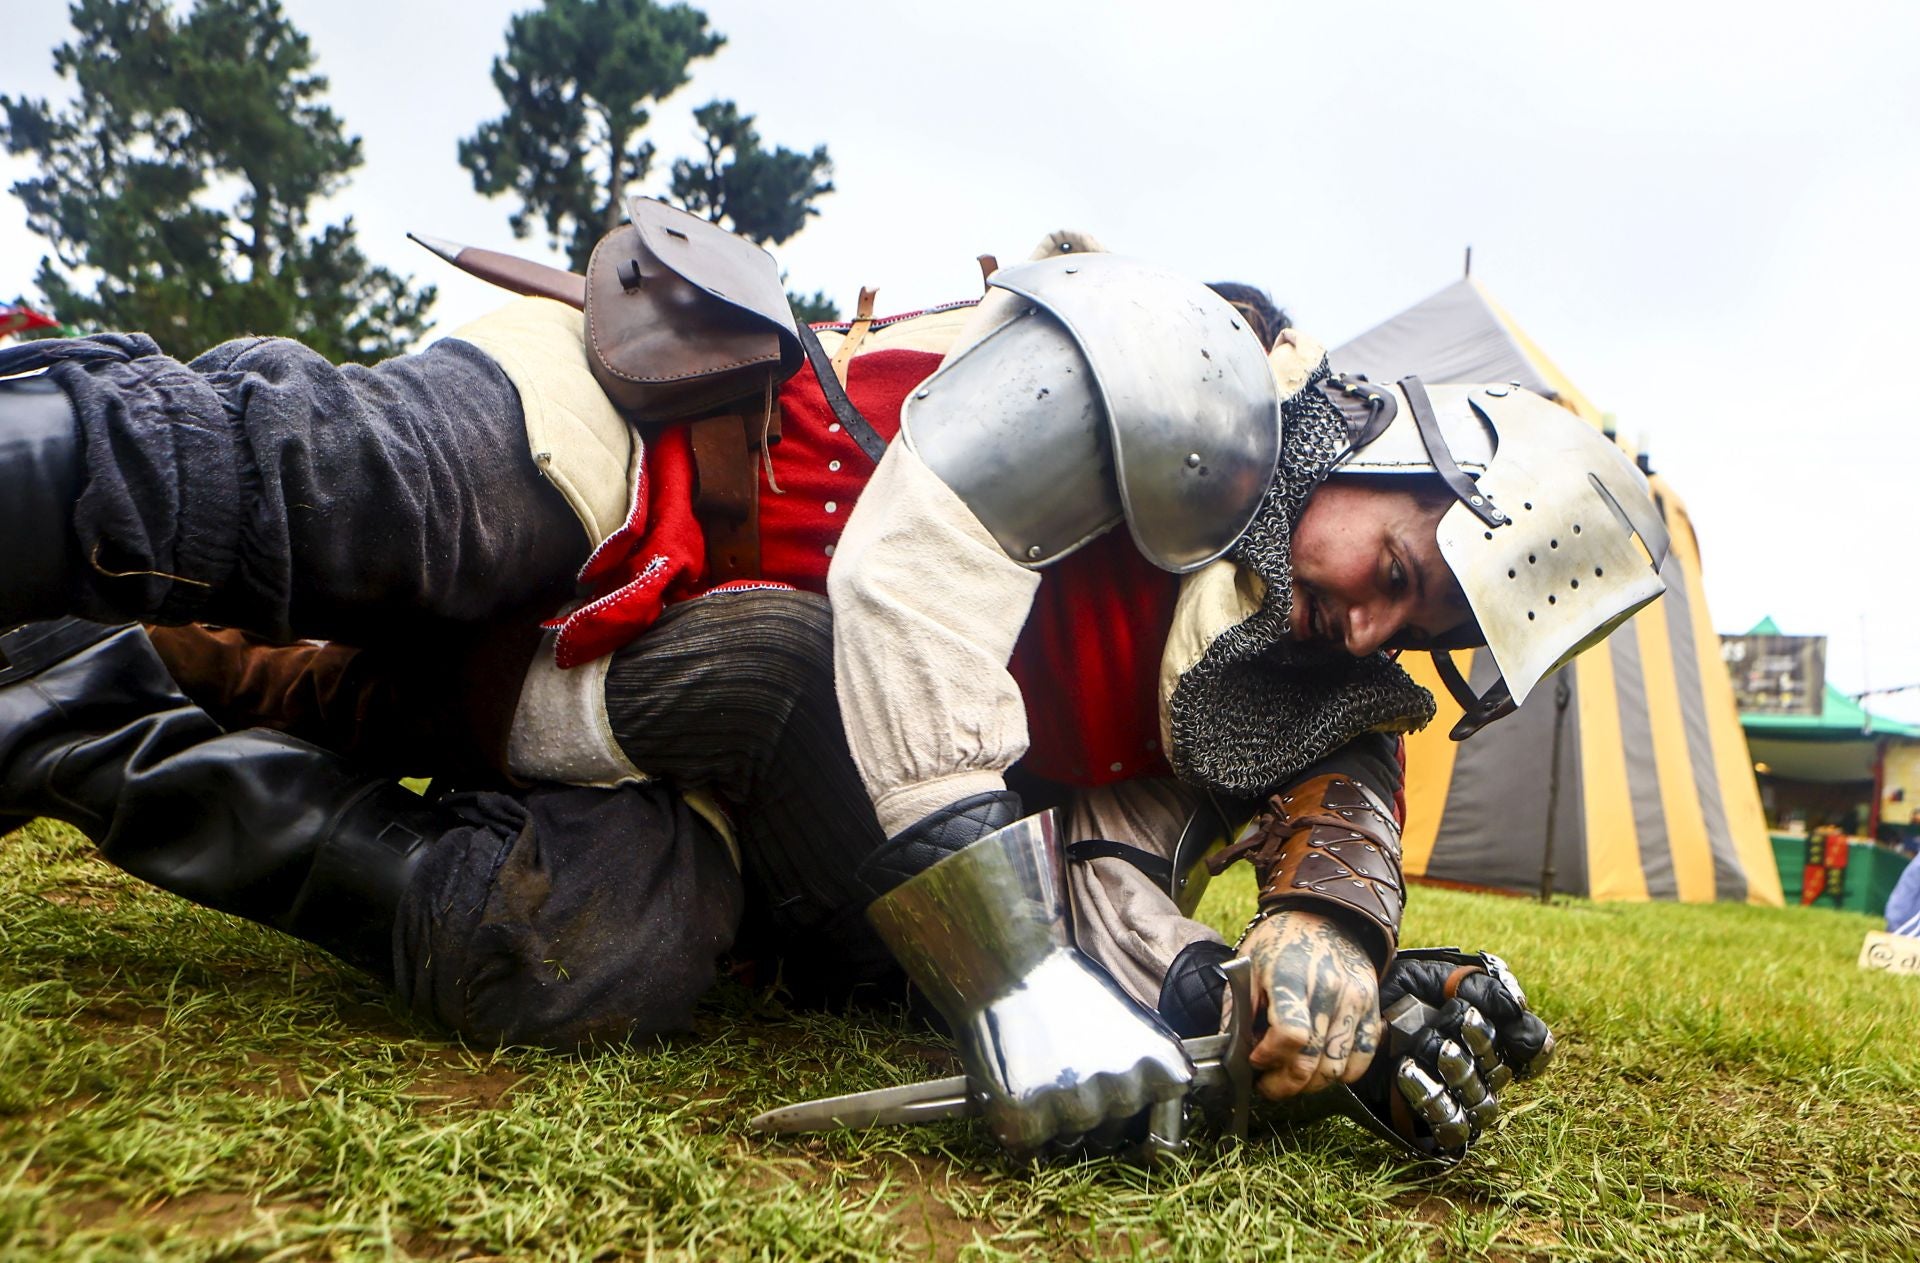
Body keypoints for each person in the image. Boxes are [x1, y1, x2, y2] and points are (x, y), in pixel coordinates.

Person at [0, 209, 1662, 1157]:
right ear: (1404, 457)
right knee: (357, 495)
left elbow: (1126, 888)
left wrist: (1298, 996)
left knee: (557, 959)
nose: (1370, 633)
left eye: (1418, 638)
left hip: (691, 726)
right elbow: (912, 569)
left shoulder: (1274, 702)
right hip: (648, 464)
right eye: (1401, 576)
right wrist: (1012, 984)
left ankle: (68, 720)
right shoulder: (1192, 371)